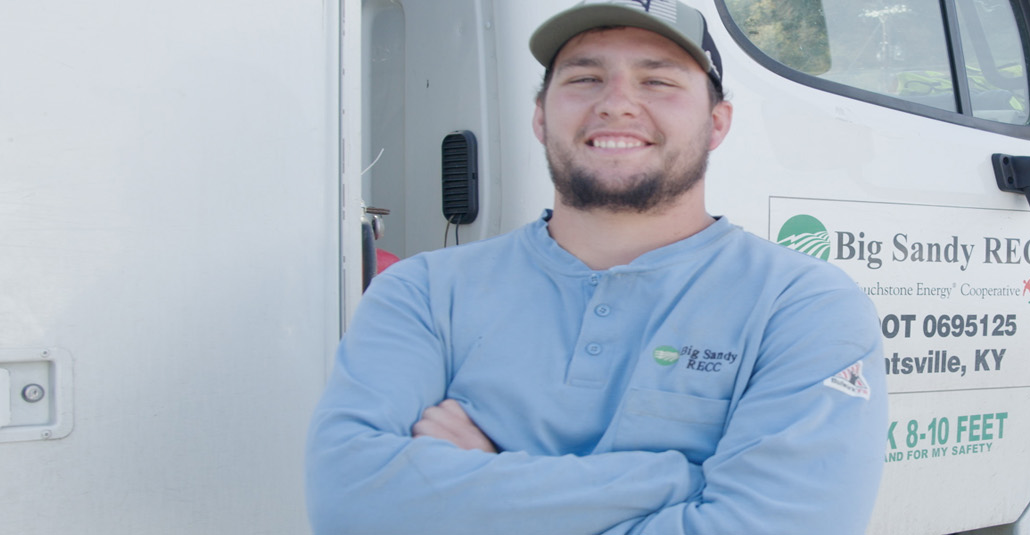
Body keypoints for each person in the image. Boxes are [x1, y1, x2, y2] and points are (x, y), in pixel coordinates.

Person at [304, 0, 889, 533]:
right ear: (539, 117)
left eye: (657, 80)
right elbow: (351, 504)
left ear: (717, 123)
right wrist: (674, 482)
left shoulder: (802, 307)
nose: (615, 103)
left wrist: (482, 485)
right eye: (585, 78)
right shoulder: (423, 291)